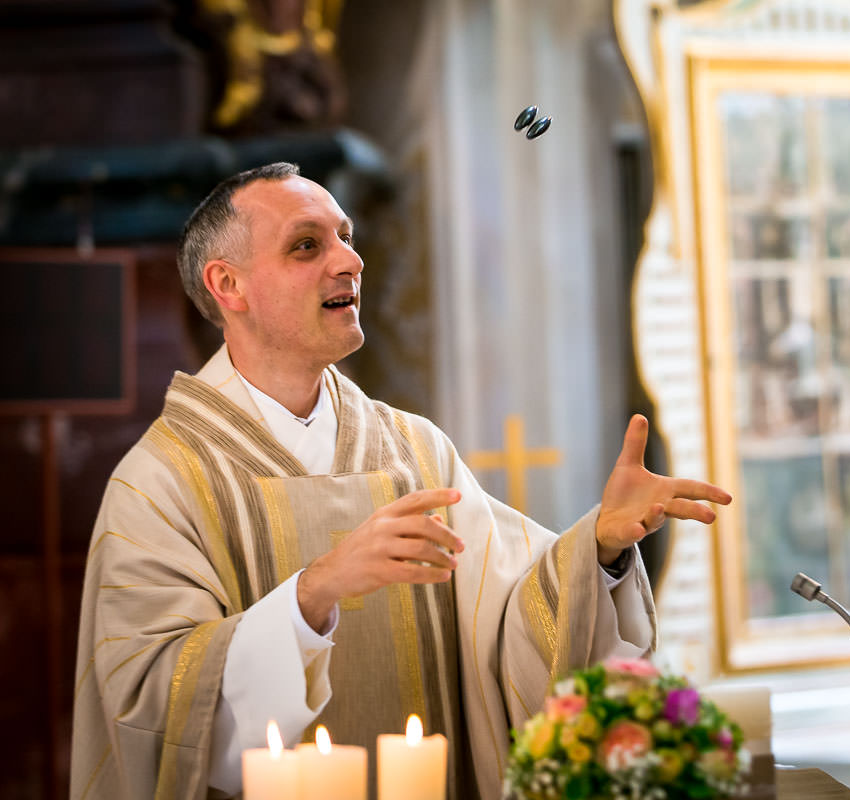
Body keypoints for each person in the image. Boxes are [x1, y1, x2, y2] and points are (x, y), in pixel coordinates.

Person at [69, 162, 732, 800]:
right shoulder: (160, 484)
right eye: (307, 245)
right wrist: (315, 593)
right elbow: (150, 708)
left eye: (346, 238)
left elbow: (509, 633)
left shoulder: (413, 450)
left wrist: (600, 549)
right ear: (229, 286)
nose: (350, 261)